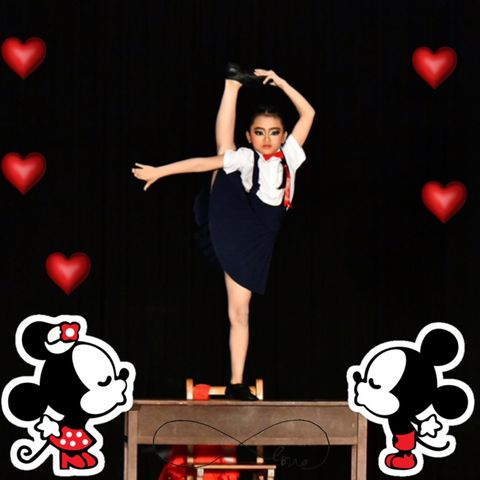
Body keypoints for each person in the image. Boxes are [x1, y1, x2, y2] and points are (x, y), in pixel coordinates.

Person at [132, 64, 315, 400]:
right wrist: (161, 172)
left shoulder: (290, 155)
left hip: (261, 238)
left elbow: (309, 113)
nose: (267, 139)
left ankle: (235, 383)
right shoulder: (247, 158)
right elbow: (204, 163)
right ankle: (232, 87)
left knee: (241, 311)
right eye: (259, 132)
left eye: (274, 132)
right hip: (237, 223)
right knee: (223, 153)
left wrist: (282, 82)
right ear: (250, 136)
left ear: (284, 135)